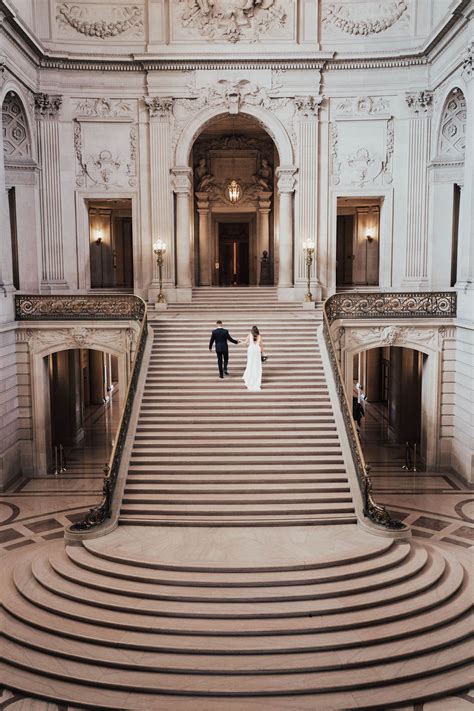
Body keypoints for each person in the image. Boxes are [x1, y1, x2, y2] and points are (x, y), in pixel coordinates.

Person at [242, 325, 263, 391]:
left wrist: (240, 341)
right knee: (257, 364)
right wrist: (262, 353)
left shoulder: (249, 335)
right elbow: (262, 346)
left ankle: (250, 376)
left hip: (251, 350)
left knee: (250, 363)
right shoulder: (259, 336)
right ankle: (256, 377)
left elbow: (245, 343)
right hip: (257, 350)